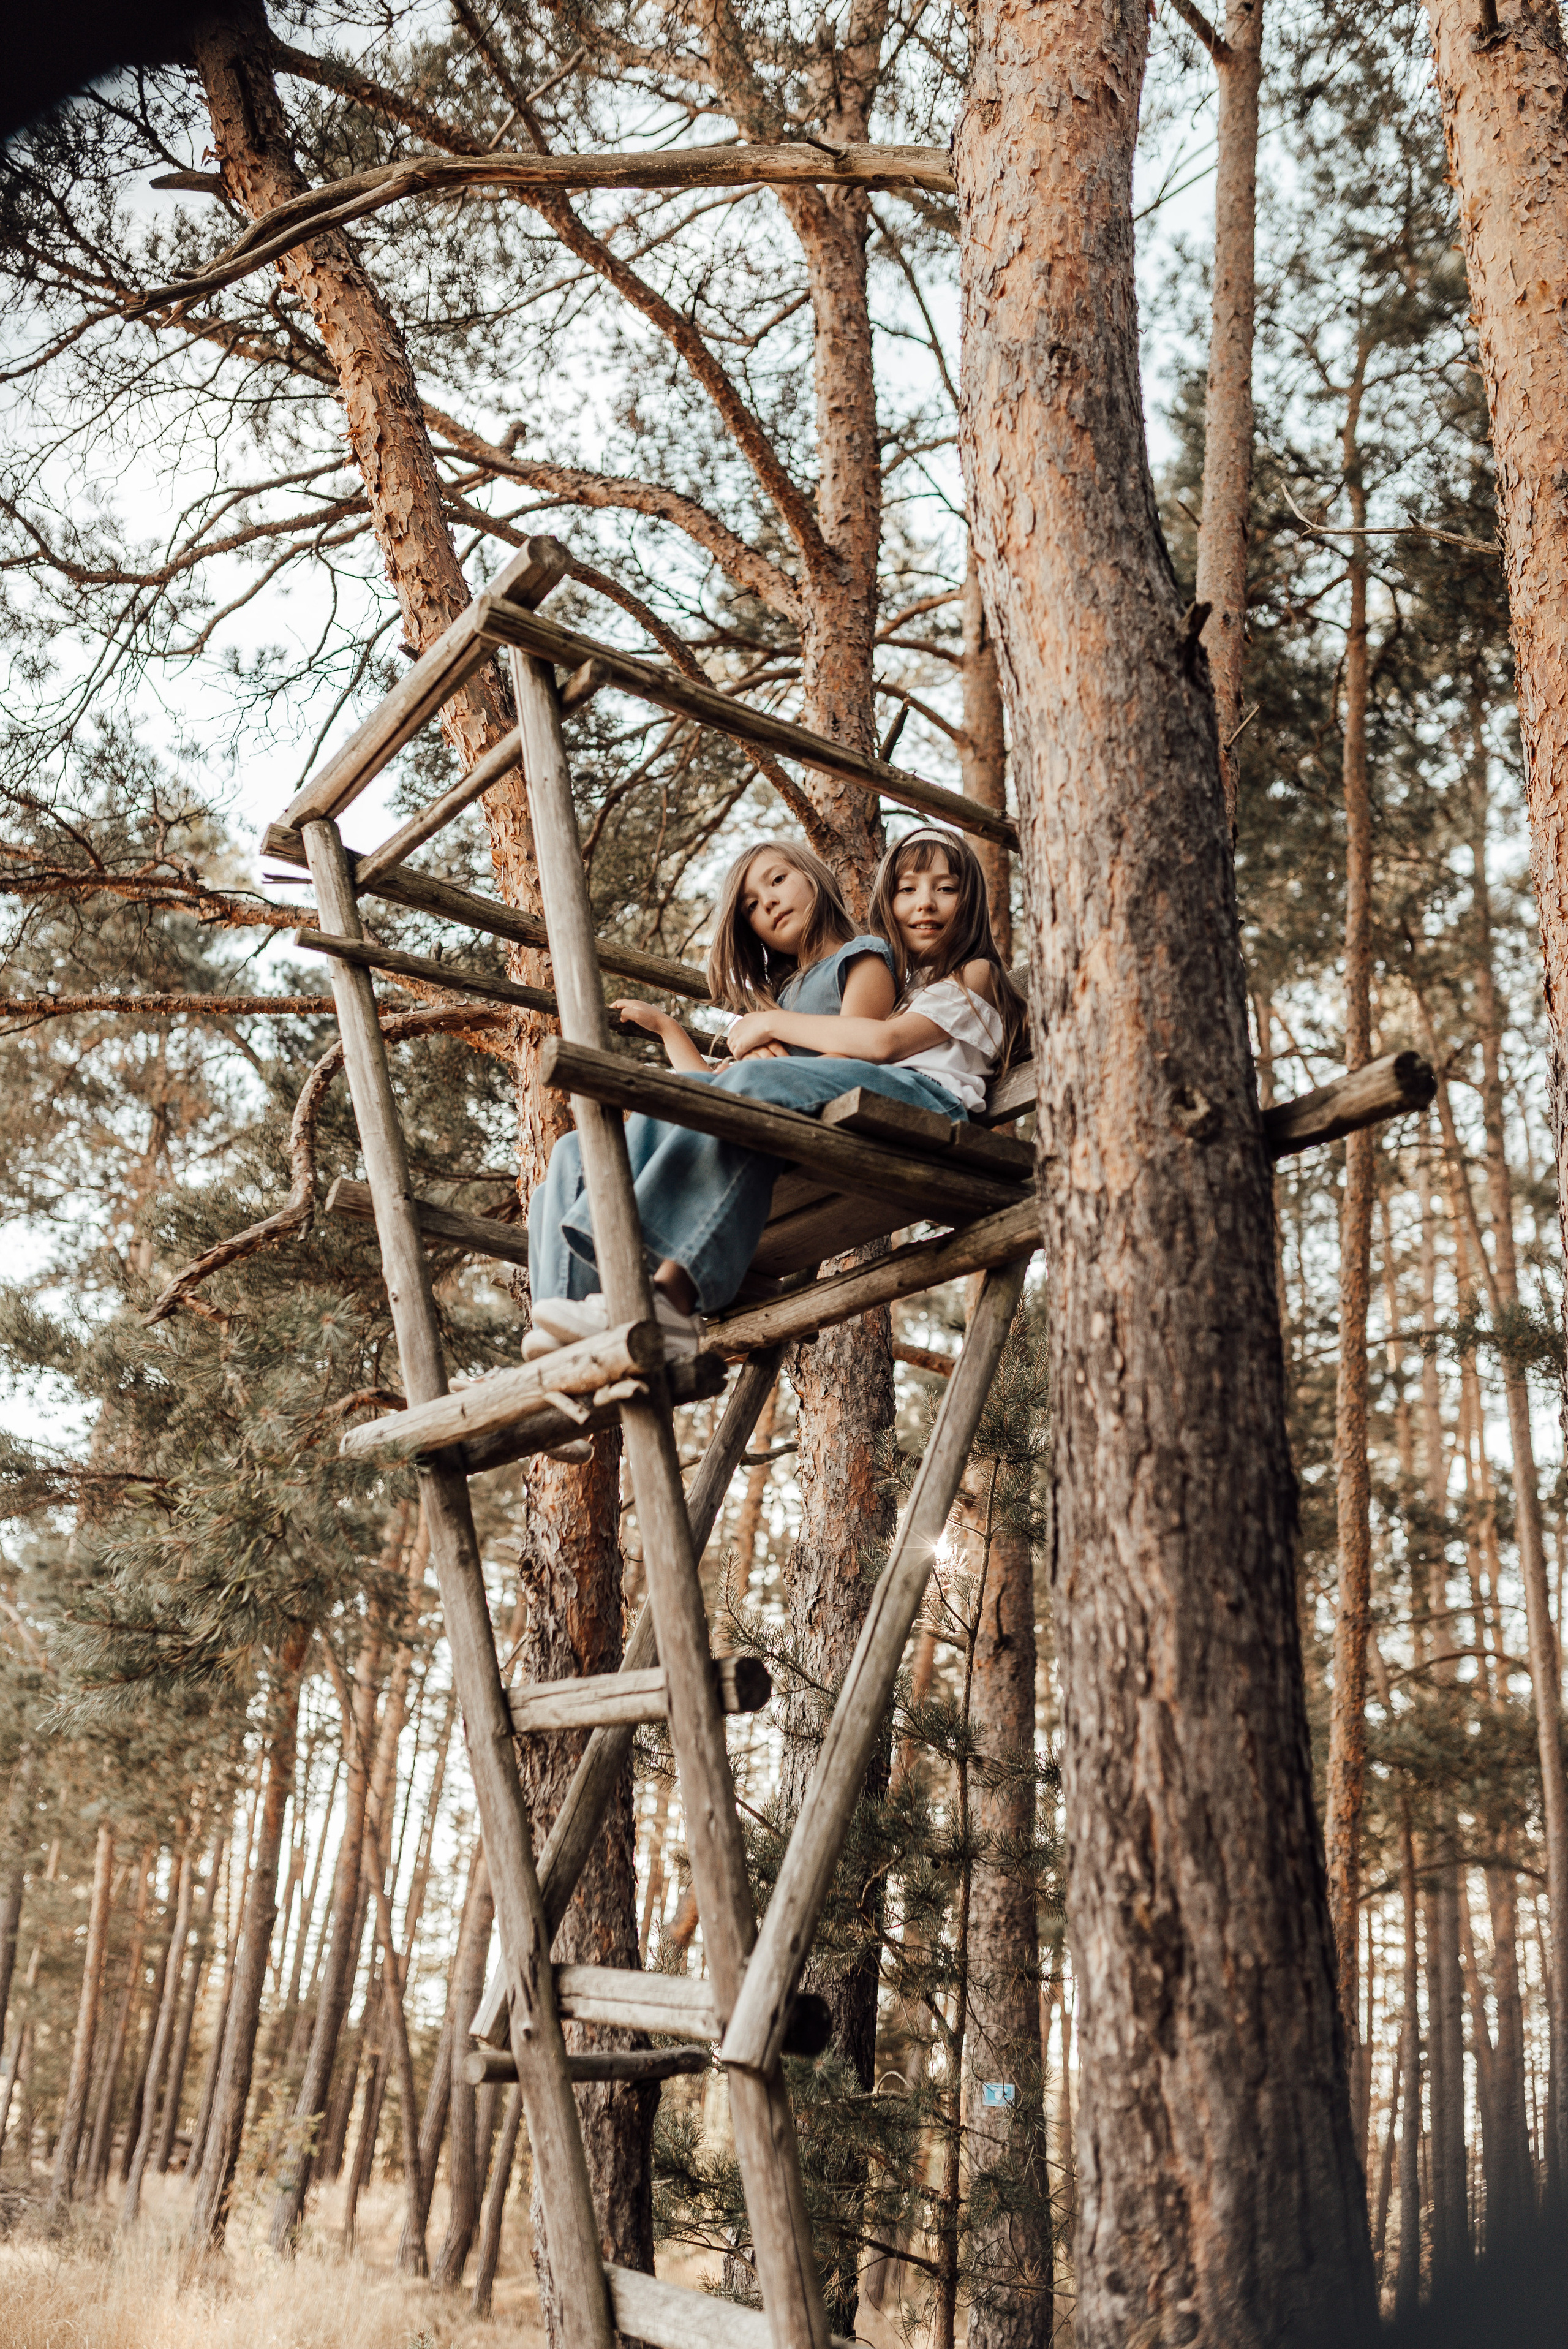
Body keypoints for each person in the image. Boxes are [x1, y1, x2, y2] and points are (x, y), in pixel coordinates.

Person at [524, 830, 1023, 1356]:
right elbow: (721, 1085)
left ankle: (652, 1296)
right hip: (873, 1100)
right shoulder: (911, 981)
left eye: (945, 888)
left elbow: (879, 1043)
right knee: (579, 1148)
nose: (924, 903)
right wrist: (687, 1036)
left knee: (736, 1089)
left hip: (923, 1105)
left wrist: (769, 1027)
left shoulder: (976, 971)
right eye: (908, 891)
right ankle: (566, 1342)